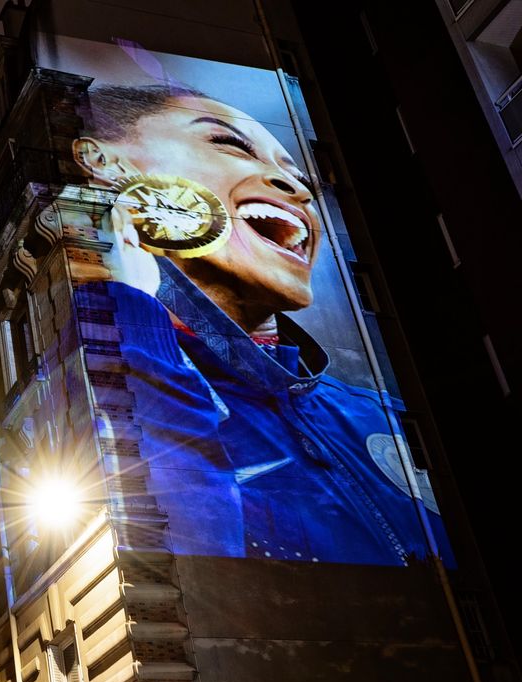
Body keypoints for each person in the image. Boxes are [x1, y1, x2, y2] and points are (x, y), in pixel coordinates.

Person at [66, 83, 451, 566]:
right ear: (103, 163)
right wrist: (132, 313)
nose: (299, 189)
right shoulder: (81, 395)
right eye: (229, 144)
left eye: (299, 176)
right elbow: (178, 568)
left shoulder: (386, 416)